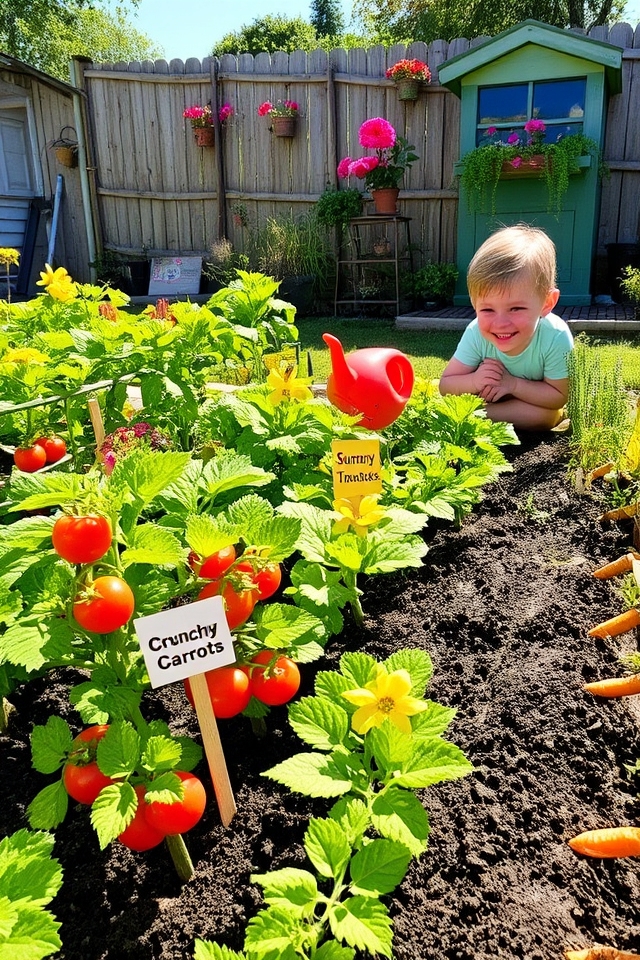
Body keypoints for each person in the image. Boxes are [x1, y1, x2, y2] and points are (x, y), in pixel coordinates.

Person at [438, 224, 574, 430]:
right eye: (487, 310)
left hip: (531, 403)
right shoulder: (476, 332)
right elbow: (446, 385)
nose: (500, 323)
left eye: (516, 308)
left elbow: (558, 397)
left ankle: (476, 417)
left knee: (546, 416)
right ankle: (480, 416)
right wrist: (475, 380)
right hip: (492, 400)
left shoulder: (555, 336)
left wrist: (512, 384)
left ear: (547, 303)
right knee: (543, 416)